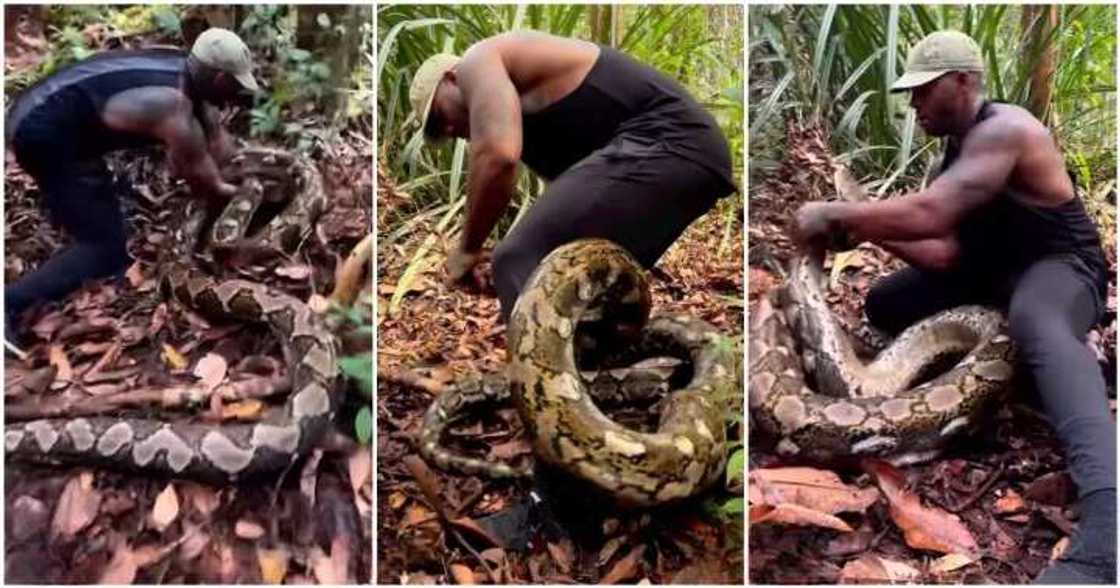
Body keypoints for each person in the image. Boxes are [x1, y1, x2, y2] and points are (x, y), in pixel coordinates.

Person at [794, 31, 1115, 583]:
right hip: (995, 273)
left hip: (1063, 267)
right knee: (886, 301)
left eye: (923, 91)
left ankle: (1109, 525)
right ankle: (1067, 367)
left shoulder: (1007, 130)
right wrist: (865, 229)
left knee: (1035, 319)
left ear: (962, 81)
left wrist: (838, 211)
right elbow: (944, 253)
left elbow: (934, 214)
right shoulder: (958, 148)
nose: (913, 104)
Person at [408, 31, 736, 323]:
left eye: (439, 118)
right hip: (688, 158)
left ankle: (545, 386)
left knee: (517, 257)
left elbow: (497, 158)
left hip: (670, 140)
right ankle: (596, 371)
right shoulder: (530, 123)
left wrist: (467, 249)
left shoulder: (477, 61)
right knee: (554, 268)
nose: (448, 131)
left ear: (452, 79)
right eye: (437, 133)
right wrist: (502, 270)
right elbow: (573, 211)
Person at [4, 27, 258, 343]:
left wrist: (247, 169)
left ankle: (74, 205)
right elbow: (205, 184)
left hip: (52, 108)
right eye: (235, 86)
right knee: (104, 251)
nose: (238, 96)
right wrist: (249, 198)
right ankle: (10, 303)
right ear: (220, 80)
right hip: (39, 131)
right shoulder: (172, 106)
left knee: (100, 206)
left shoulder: (188, 69)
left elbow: (219, 143)